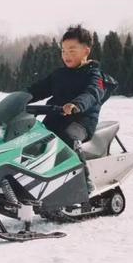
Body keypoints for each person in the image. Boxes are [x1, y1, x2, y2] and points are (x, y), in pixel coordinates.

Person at [25, 25, 106, 194]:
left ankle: (85, 183)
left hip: (82, 121)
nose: (66, 55)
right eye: (63, 51)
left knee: (68, 138)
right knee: (33, 140)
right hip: (56, 118)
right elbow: (39, 89)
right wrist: (21, 97)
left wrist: (76, 104)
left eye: (72, 50)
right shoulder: (59, 74)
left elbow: (92, 93)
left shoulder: (94, 75)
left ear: (86, 51)